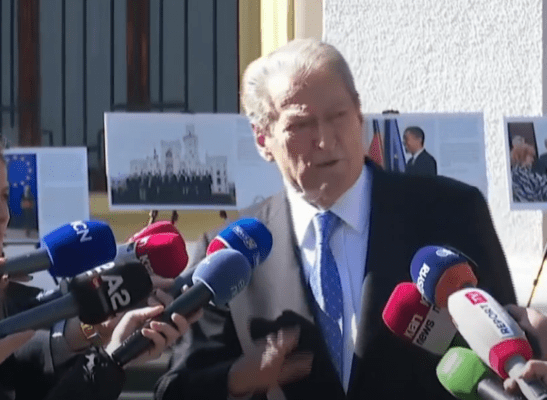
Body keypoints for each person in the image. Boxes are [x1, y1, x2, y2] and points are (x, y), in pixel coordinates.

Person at [156, 38, 516, 400]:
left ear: (359, 114)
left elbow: (510, 355)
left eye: (337, 116)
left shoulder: (450, 212)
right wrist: (237, 378)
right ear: (263, 138)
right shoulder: (230, 254)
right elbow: (177, 388)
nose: (325, 140)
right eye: (301, 125)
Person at [0, 134, 197, 399]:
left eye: (4, 196)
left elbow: (22, 365)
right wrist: (110, 359)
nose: (2, 214)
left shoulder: (8, 301)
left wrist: (96, 333)